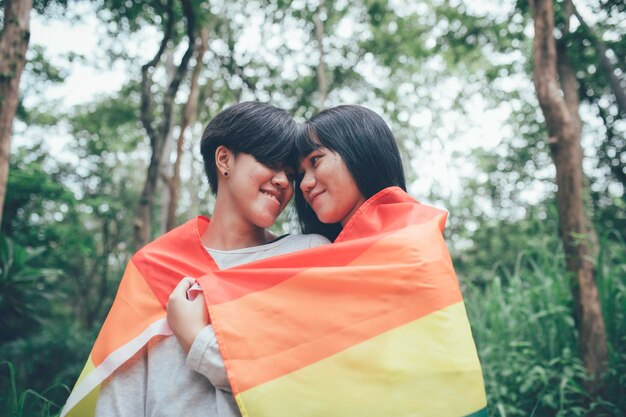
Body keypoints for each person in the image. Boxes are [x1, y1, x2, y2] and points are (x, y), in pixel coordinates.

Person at [169, 105, 487, 417]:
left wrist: (199, 341)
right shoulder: (335, 253)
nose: (303, 184)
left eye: (315, 161)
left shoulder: (410, 243)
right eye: (301, 173)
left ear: (358, 151)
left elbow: (317, 383)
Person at [61, 102, 329, 417]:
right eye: (271, 161)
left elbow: (308, 384)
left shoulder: (308, 255)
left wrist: (198, 340)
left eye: (291, 173)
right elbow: (122, 400)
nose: (284, 181)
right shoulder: (156, 267)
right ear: (225, 159)